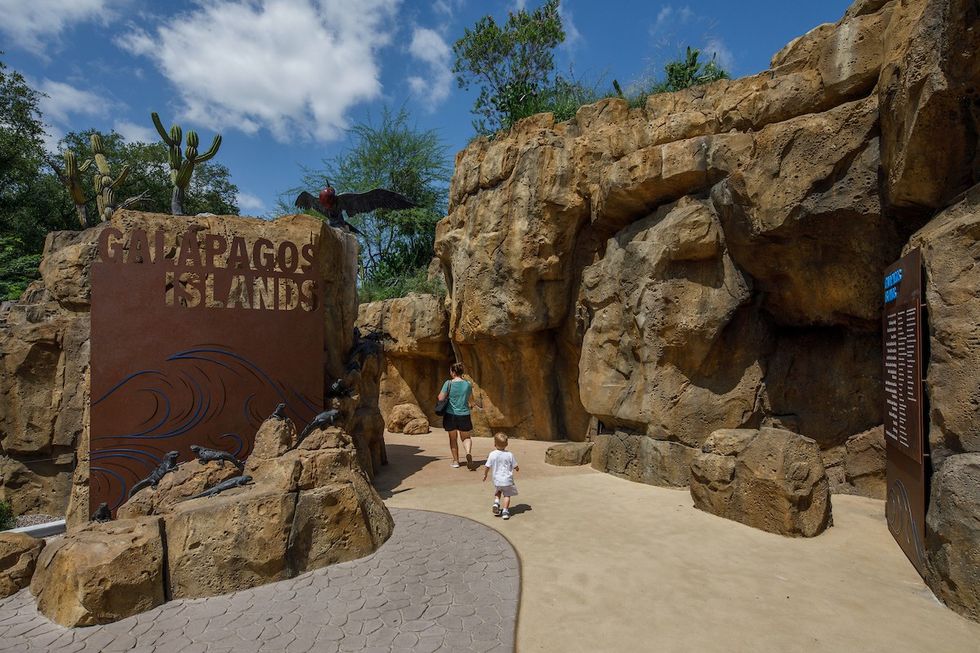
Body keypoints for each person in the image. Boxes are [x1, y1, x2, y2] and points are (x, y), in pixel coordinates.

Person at [438, 362, 475, 469]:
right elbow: (471, 401)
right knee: (466, 437)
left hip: (451, 415)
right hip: (464, 414)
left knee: (453, 438)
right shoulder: (468, 384)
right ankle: (468, 452)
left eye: (450, 371)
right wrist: (470, 405)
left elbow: (440, 398)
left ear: (453, 372)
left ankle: (456, 461)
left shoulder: (448, 383)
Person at [483, 432, 519, 520]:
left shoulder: (492, 454)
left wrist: (485, 474)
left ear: (494, 444)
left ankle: (496, 502)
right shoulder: (509, 454)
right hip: (507, 480)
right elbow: (515, 466)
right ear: (507, 444)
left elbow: (487, 466)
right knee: (507, 495)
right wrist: (517, 468)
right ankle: (505, 511)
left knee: (498, 492)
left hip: (497, 480)